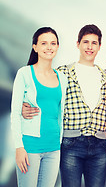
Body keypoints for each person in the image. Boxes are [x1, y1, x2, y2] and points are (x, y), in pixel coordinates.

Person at [22, 25, 106, 187]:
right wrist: (23, 106)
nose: (90, 47)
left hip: (99, 145)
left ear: (99, 46)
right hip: (71, 143)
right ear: (78, 44)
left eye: (94, 43)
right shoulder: (63, 73)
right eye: (85, 42)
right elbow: (45, 95)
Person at [11, 27, 68, 187]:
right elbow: (15, 113)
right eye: (43, 43)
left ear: (57, 47)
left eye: (53, 43)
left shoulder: (62, 78)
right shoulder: (24, 73)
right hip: (30, 146)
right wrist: (19, 147)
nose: (49, 47)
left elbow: (59, 112)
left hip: (54, 147)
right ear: (35, 47)